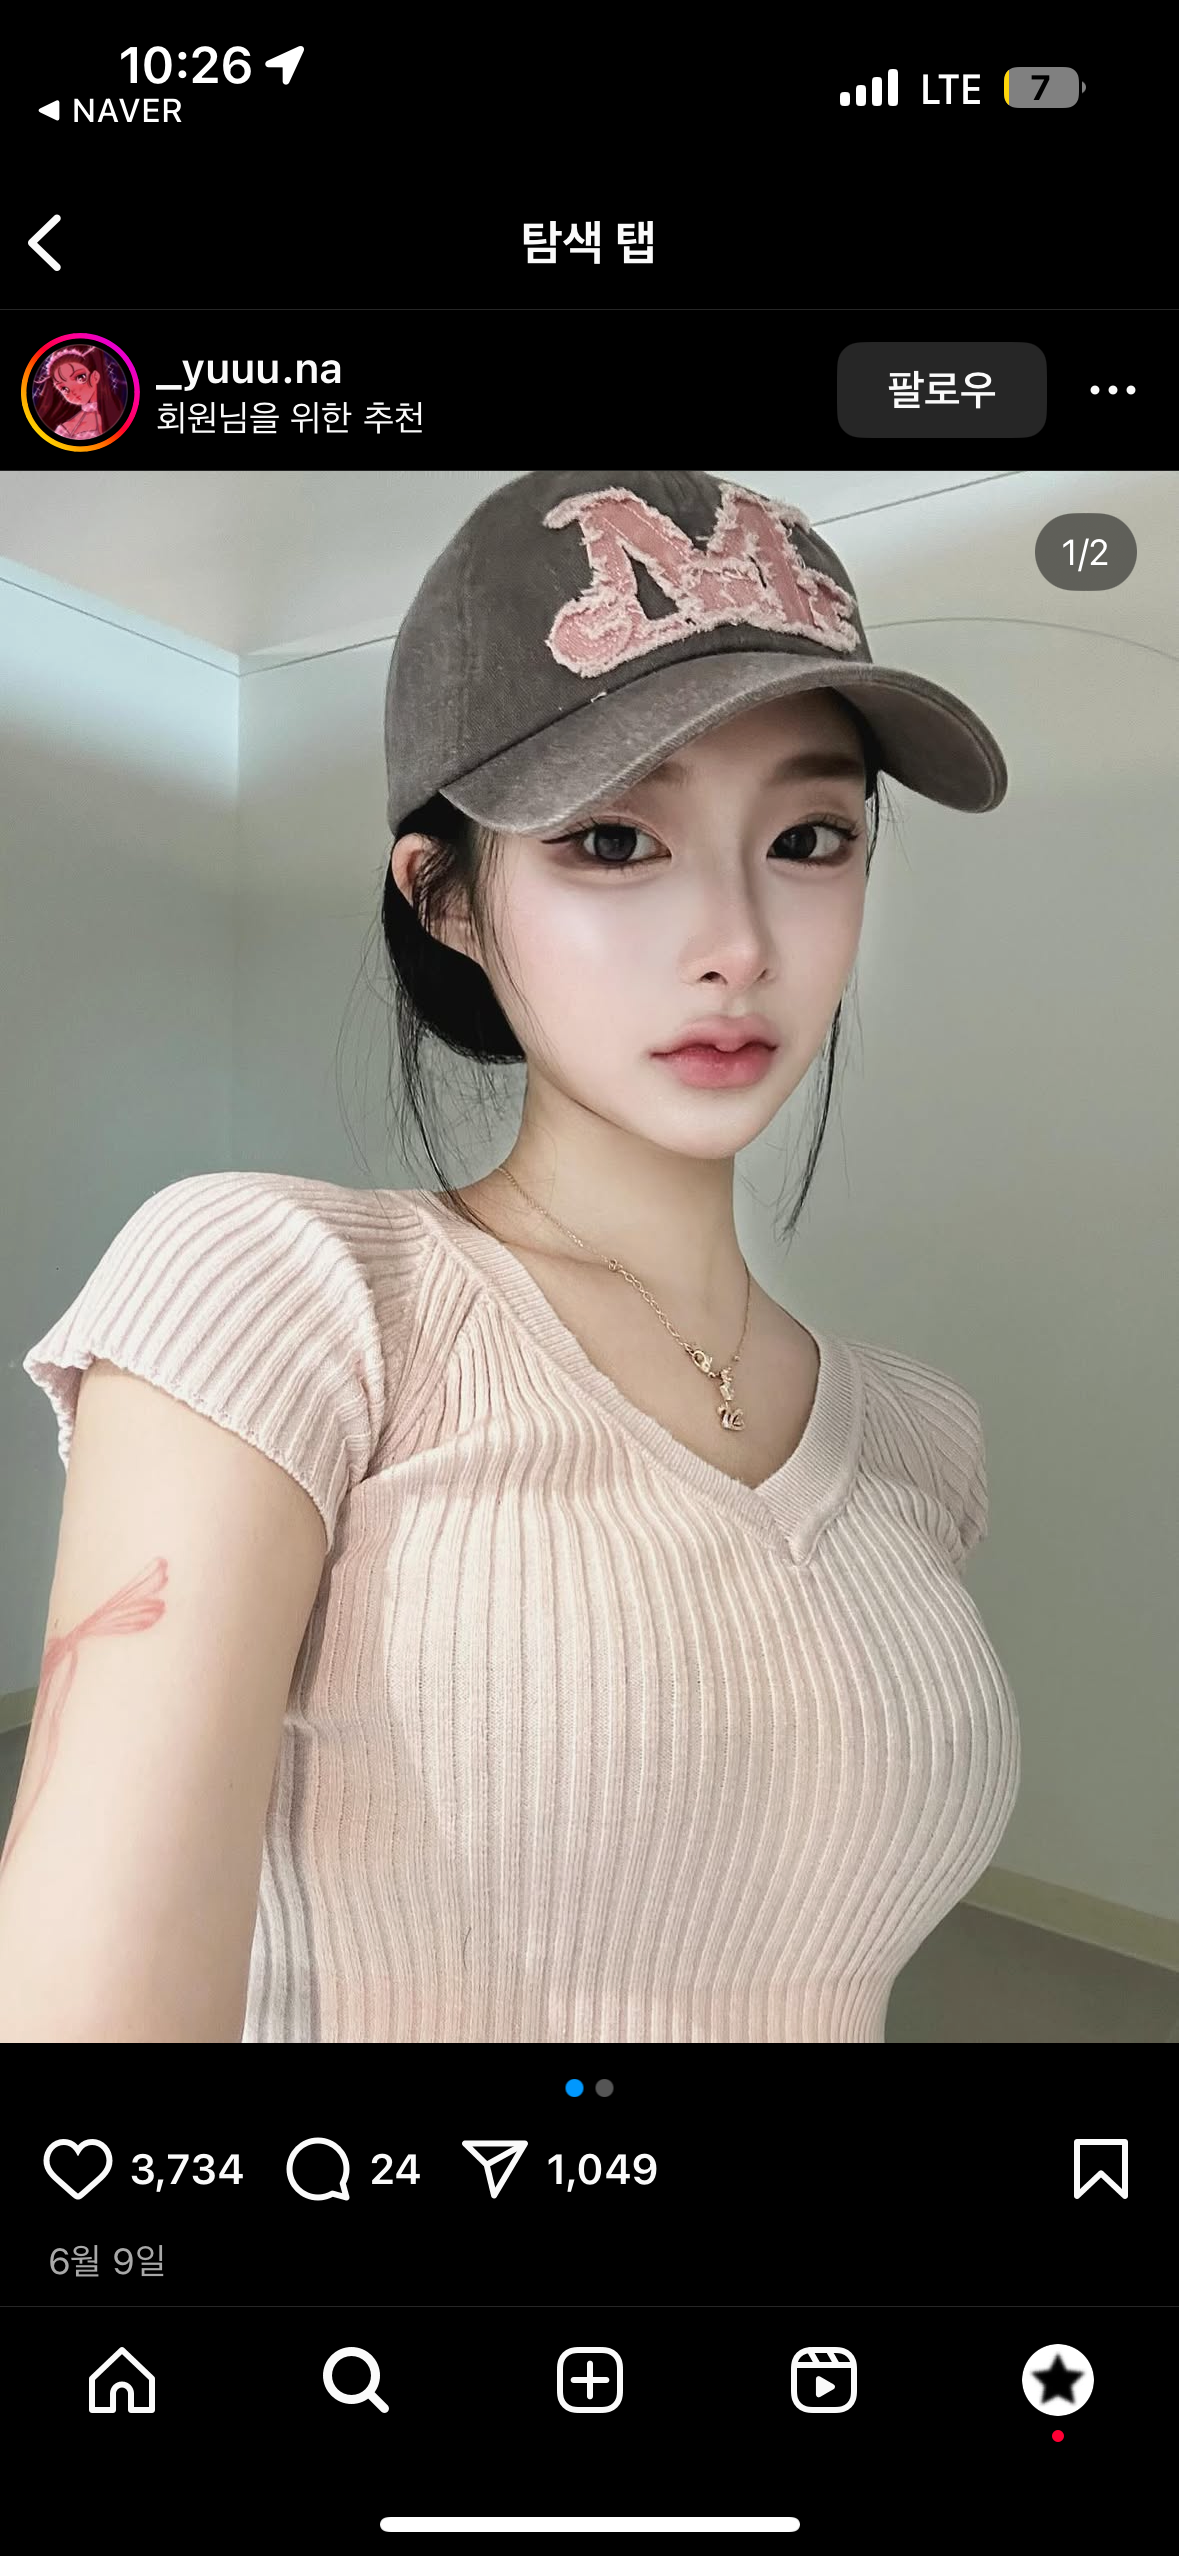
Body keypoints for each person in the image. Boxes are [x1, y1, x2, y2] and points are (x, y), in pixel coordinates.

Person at [6, 470, 1019, 2044]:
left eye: (808, 837)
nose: (737, 943)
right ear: (448, 900)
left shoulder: (919, 1434)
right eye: (614, 840)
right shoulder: (283, 1291)